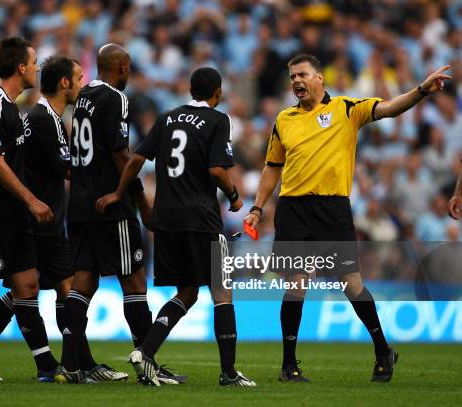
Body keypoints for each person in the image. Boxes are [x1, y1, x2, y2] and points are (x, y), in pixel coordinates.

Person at [243, 54, 451, 383]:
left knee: (350, 284)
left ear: (319, 79)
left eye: (303, 74)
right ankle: (288, 366)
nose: (296, 80)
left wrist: (421, 90)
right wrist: (257, 208)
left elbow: (390, 108)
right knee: (295, 286)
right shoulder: (283, 119)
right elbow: (272, 167)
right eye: (292, 76)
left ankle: (383, 349)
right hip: (292, 210)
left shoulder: (345, 108)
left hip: (332, 209)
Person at [0, 56, 125, 382]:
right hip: (41, 220)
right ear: (65, 83)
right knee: (57, 291)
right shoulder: (42, 120)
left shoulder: (46, 117)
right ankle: (79, 365)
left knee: (34, 292)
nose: (83, 85)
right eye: (80, 79)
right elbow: (69, 169)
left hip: (45, 218)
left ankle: (59, 364)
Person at [97, 67, 256, 387]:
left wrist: (118, 192)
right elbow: (216, 169)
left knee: (187, 292)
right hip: (202, 219)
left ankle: (144, 352)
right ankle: (228, 373)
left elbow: (136, 160)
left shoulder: (167, 117)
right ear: (218, 93)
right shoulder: (218, 119)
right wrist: (236, 197)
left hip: (166, 220)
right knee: (222, 292)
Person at [55, 43, 183, 385]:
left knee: (83, 282)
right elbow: (120, 155)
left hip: (80, 205)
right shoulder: (115, 98)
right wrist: (140, 200)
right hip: (110, 206)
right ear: (123, 66)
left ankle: (70, 365)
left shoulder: (82, 98)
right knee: (135, 281)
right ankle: (147, 362)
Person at [0, 36, 59, 382]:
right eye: (34, 62)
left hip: (14, 207)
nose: (37, 68)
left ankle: (46, 365)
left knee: (27, 284)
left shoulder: (10, 107)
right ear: (21, 67)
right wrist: (31, 199)